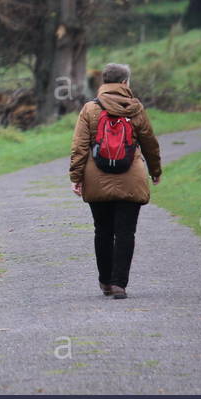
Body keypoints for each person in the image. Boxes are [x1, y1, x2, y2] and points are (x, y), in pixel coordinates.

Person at [68, 62, 162, 299]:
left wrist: (76, 178)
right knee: (125, 232)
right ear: (124, 83)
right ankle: (120, 284)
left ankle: (105, 282)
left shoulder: (90, 109)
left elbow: (79, 147)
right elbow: (150, 142)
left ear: (103, 82)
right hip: (131, 179)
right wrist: (155, 170)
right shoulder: (135, 108)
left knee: (102, 230)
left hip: (96, 179)